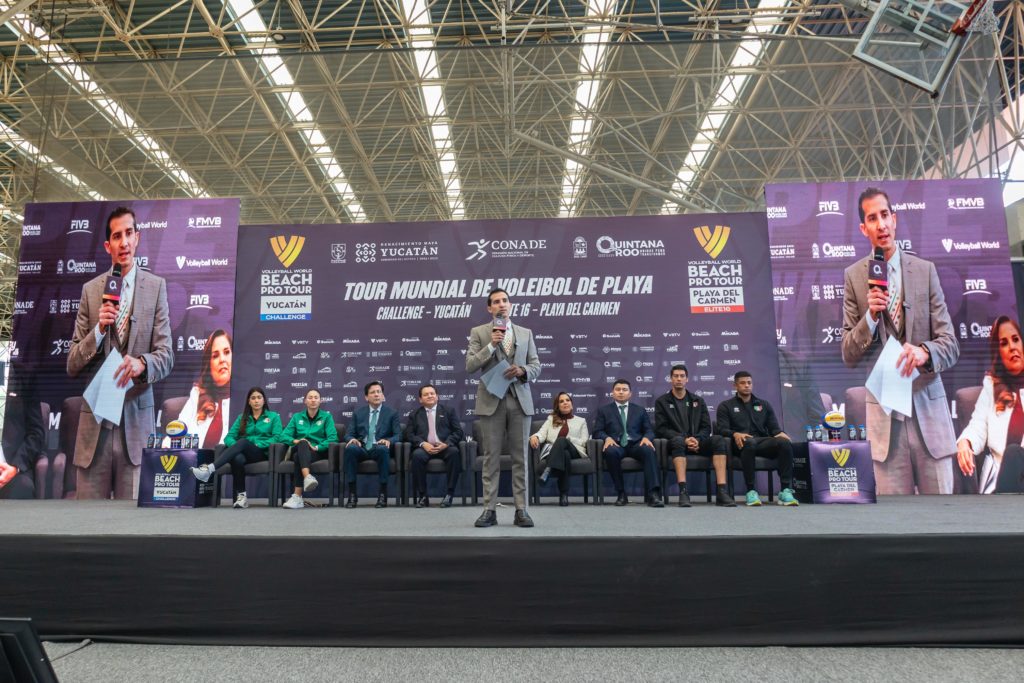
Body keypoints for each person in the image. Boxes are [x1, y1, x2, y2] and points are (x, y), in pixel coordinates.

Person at [841, 187, 959, 494]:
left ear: (894, 219)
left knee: (945, 515)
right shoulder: (854, 277)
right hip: (885, 429)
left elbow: (950, 344)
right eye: (872, 218)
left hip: (929, 419)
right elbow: (848, 354)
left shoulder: (925, 271)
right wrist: (870, 317)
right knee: (894, 519)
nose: (881, 224)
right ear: (863, 228)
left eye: (885, 215)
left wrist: (924, 352)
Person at [66, 206, 174, 499]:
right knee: (85, 521)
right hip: (94, 431)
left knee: (133, 523)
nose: (124, 242)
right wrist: (99, 330)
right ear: (107, 245)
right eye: (117, 236)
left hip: (136, 431)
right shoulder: (91, 291)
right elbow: (72, 363)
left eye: (129, 234)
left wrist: (142, 364)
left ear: (137, 238)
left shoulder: (156, 288)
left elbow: (166, 355)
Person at [465, 287, 541, 528]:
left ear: (510, 304)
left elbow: (536, 365)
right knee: (491, 458)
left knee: (521, 458)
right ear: (490, 308)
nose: (501, 304)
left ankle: (521, 510)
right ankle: (489, 510)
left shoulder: (525, 333)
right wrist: (490, 346)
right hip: (491, 401)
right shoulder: (479, 332)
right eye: (496, 302)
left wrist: (523, 370)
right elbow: (470, 365)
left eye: (505, 300)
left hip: (519, 400)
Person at [956, 315, 1024, 494]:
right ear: (998, 353)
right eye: (1004, 343)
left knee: (1015, 453)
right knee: (1012, 454)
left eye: (1016, 339)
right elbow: (977, 426)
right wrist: (965, 442)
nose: (1012, 347)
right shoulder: (991, 386)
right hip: (1000, 478)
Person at [654, 365, 736, 507]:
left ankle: (722, 492)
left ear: (687, 379)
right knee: (678, 441)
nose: (679, 379)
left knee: (718, 440)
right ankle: (683, 492)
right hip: (676, 443)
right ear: (671, 379)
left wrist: (697, 439)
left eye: (682, 376)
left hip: (698, 442)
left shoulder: (698, 400)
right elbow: (661, 429)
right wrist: (685, 439)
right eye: (676, 376)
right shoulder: (662, 402)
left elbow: (706, 427)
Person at [190, 386, 282, 508]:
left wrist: (258, 444)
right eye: (253, 398)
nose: (256, 400)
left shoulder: (273, 417)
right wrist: (237, 448)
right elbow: (229, 437)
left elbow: (277, 437)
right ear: (249, 402)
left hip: (262, 453)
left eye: (259, 397)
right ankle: (242, 497)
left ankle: (210, 469)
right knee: (237, 458)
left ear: (264, 400)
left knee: (243, 442)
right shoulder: (242, 418)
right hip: (243, 453)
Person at [716, 371, 797, 506]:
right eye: (742, 383)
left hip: (762, 442)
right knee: (749, 442)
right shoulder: (725, 406)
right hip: (740, 444)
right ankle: (751, 491)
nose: (746, 385)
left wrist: (780, 434)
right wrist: (735, 434)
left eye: (749, 383)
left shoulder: (764, 405)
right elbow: (721, 429)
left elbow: (774, 429)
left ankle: (785, 490)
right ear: (735, 385)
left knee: (784, 443)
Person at [592, 379, 664, 507]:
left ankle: (653, 494)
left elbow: (649, 430)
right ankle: (621, 493)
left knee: (648, 449)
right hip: (616, 444)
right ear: (612, 393)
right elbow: (597, 431)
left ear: (630, 393)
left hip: (636, 444)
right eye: (618, 389)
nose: (621, 392)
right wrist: (606, 438)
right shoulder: (604, 411)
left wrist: (647, 437)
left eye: (624, 390)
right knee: (610, 452)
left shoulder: (640, 410)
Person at [343, 381, 401, 508]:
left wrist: (389, 441)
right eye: (373, 392)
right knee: (350, 449)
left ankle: (382, 495)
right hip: (362, 447)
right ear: (366, 397)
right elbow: (348, 434)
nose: (376, 395)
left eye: (379, 392)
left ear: (383, 395)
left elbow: (398, 435)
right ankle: (352, 494)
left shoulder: (391, 413)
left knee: (382, 449)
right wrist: (352, 439)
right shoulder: (358, 413)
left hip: (379, 447)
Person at [405, 383, 464, 508]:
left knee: (454, 453)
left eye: (432, 393)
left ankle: (449, 494)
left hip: (444, 446)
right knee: (417, 456)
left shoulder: (448, 411)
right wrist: (422, 444)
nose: (430, 396)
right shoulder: (414, 414)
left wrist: (446, 443)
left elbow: (458, 431)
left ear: (437, 396)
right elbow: (409, 434)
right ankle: (423, 496)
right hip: (425, 448)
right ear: (420, 399)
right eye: (426, 394)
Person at [280, 388, 338, 509]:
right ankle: (307, 477)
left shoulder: (326, 417)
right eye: (310, 397)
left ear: (320, 401)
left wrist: (317, 447)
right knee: (302, 443)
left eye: (316, 397)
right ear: (305, 401)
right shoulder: (297, 417)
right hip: (299, 447)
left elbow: (333, 438)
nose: (313, 400)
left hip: (316, 451)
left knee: (298, 457)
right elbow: (283, 436)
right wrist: (296, 441)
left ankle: (297, 497)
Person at [530, 392, 589, 506]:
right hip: (555, 452)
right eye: (561, 401)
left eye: (567, 400)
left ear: (572, 404)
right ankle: (563, 495)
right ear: (558, 406)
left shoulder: (581, 421)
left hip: (575, 450)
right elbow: (541, 434)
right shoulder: (551, 419)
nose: (565, 403)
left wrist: (569, 439)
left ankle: (548, 470)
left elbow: (584, 441)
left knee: (562, 441)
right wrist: (535, 436)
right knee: (564, 455)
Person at [176, 329, 232, 449]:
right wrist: (166, 445)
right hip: (195, 459)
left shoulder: (247, 398)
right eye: (215, 356)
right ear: (209, 365)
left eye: (227, 352)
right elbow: (178, 431)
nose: (222, 359)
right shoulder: (197, 395)